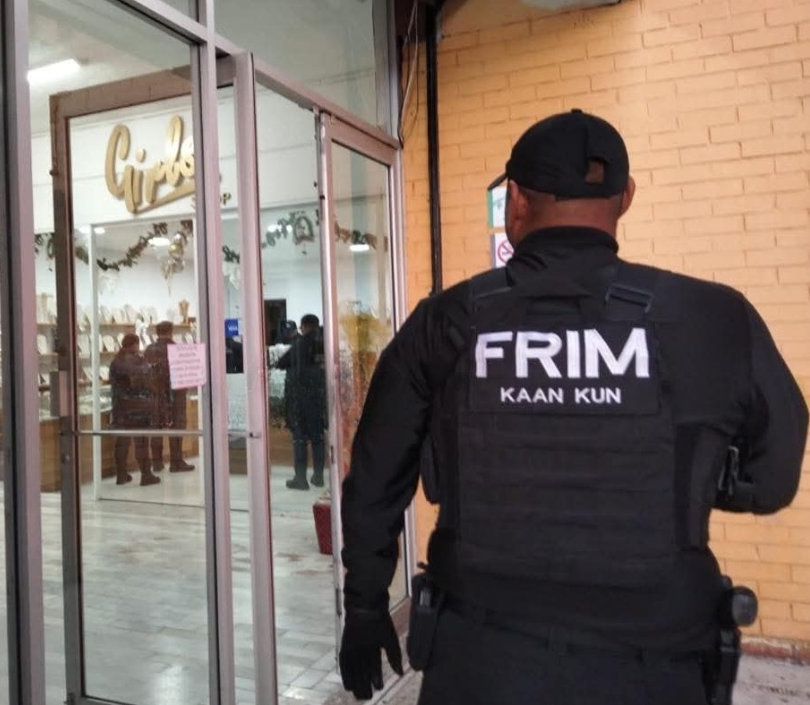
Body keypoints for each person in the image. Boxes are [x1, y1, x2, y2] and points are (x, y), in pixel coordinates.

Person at [337, 109, 808, 704]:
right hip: (657, 667)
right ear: (626, 197)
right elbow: (772, 480)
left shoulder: (447, 322)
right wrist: (675, 479)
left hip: (482, 663)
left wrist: (365, 606)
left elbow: (375, 477)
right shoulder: (714, 318)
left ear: (515, 200)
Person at [276, 313, 327, 490]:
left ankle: (300, 479)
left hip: (301, 397)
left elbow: (282, 362)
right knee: (318, 438)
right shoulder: (324, 343)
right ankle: (318, 477)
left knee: (300, 439)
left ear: (304, 326)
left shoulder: (301, 343)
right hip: (320, 396)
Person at [145, 321, 196, 473]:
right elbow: (184, 373)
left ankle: (157, 462)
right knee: (177, 426)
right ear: (171, 331)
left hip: (154, 395)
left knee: (156, 427)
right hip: (175, 394)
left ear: (157, 332)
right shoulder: (177, 349)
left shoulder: (149, 350)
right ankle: (176, 462)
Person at [109, 333, 159, 486]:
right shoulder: (141, 362)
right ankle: (146, 474)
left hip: (121, 407)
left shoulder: (116, 362)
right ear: (135, 344)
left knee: (122, 441)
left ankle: (121, 475)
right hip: (139, 407)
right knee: (141, 442)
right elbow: (148, 381)